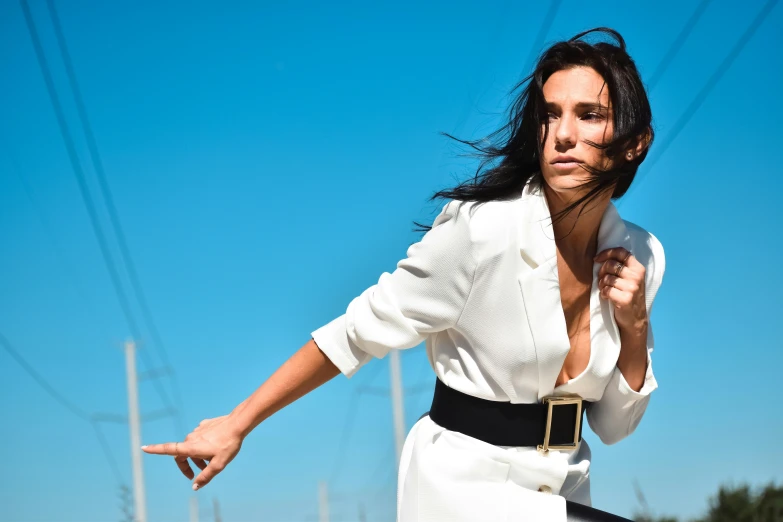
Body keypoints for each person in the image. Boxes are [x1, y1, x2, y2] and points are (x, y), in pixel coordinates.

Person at [142, 27, 665, 522]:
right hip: (464, 488)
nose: (563, 134)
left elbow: (614, 428)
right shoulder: (481, 232)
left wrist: (635, 330)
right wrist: (237, 423)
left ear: (634, 142)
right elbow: (355, 332)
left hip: (564, 485)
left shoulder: (641, 255)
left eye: (589, 114)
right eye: (550, 115)